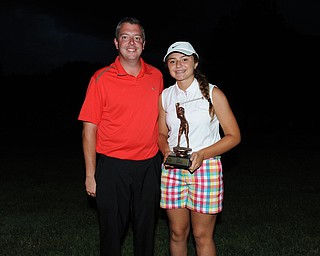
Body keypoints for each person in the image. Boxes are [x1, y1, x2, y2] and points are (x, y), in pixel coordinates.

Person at [78, 17, 164, 256]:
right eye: (125, 37)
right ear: (116, 43)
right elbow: (89, 130)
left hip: (149, 165)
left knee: (146, 231)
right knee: (111, 232)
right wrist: (90, 174)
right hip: (112, 166)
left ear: (144, 44)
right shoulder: (101, 78)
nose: (131, 43)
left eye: (137, 37)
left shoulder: (156, 76)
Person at [158, 41, 241, 256]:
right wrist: (165, 150)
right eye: (173, 61)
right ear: (167, 65)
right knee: (177, 232)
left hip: (206, 169)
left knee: (201, 235)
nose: (179, 65)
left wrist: (203, 154)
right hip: (173, 170)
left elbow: (233, 136)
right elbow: (161, 133)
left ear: (195, 63)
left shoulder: (213, 94)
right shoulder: (165, 96)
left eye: (184, 59)